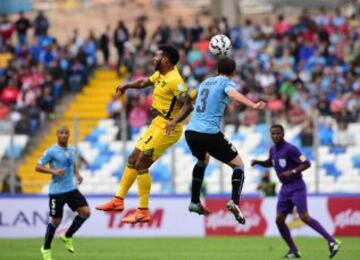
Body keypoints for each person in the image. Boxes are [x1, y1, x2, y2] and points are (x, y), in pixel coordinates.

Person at [96, 45, 193, 224]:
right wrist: (127, 85)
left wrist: (174, 121)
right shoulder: (161, 74)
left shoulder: (175, 80)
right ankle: (118, 201)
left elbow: (188, 105)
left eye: (156, 56)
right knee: (133, 158)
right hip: (157, 124)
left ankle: (143, 211)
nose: (153, 59)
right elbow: (143, 82)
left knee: (142, 162)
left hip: (168, 128)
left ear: (165, 60)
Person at [185, 58, 266, 224]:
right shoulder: (226, 83)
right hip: (209, 133)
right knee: (238, 165)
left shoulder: (205, 83)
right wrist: (253, 105)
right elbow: (232, 94)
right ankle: (235, 202)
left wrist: (175, 120)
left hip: (191, 132)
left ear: (216, 70)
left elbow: (189, 97)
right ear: (234, 72)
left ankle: (194, 201)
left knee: (202, 160)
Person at [251, 124, 341, 259]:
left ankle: (332, 241)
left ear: (283, 134)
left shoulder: (291, 149)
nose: (275, 136)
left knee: (304, 217)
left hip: (297, 186)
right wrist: (258, 162)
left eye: (278, 133)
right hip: (284, 189)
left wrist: (292, 171)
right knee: (279, 219)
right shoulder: (273, 150)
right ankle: (294, 250)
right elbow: (271, 163)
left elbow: (307, 163)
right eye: (273, 134)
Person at [35, 126, 90, 260]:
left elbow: (72, 164)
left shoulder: (72, 149)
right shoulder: (51, 151)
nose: (64, 135)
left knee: (85, 212)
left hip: (71, 189)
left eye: (66, 133)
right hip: (57, 192)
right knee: (56, 221)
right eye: (61, 133)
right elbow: (37, 167)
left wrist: (77, 174)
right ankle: (46, 248)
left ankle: (67, 236)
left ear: (69, 135)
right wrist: (53, 171)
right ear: (57, 135)